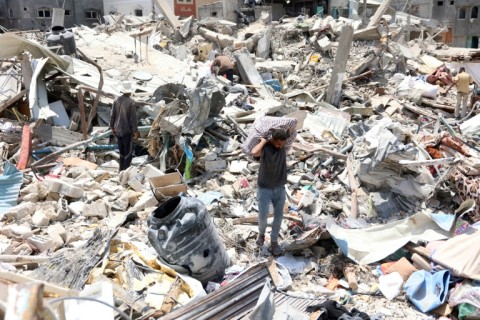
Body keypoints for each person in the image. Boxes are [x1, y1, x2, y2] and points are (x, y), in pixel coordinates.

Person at [250, 128, 291, 256]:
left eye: (283, 144)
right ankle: (261, 234)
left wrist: (283, 137)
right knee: (263, 216)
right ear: (273, 140)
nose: (281, 146)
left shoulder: (283, 148)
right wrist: (263, 141)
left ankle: (274, 242)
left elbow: (290, 133)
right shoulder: (266, 149)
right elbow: (254, 152)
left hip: (280, 188)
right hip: (265, 189)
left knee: (278, 217)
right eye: (278, 143)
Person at [110, 81, 138, 171]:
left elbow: (112, 115)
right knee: (128, 153)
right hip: (126, 131)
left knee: (121, 152)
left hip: (117, 130)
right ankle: (125, 172)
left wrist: (112, 127)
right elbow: (132, 119)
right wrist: (135, 131)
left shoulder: (116, 100)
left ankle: (120, 170)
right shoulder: (131, 102)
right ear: (130, 92)